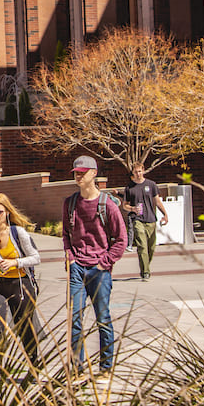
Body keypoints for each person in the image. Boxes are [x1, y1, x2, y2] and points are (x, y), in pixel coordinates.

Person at [63, 156, 127, 381]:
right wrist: (70, 257)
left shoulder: (107, 205)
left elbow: (121, 240)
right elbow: (65, 235)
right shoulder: (70, 203)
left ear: (93, 173)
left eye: (82, 172)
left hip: (99, 269)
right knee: (75, 318)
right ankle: (76, 368)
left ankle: (106, 367)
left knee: (103, 317)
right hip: (77, 268)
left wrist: (104, 262)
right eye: (75, 172)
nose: (78, 176)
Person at [0, 192, 41, 362]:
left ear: (7, 213)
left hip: (19, 284)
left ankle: (34, 366)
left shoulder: (17, 233)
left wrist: (14, 263)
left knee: (25, 327)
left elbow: (36, 258)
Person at [122, 162, 169, 281]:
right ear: (132, 172)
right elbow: (124, 205)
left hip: (151, 219)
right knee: (142, 246)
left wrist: (165, 214)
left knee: (151, 248)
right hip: (137, 220)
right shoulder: (129, 188)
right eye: (135, 172)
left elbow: (157, 201)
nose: (138, 174)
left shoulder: (151, 185)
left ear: (143, 171)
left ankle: (146, 265)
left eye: (140, 171)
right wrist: (132, 209)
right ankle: (145, 272)